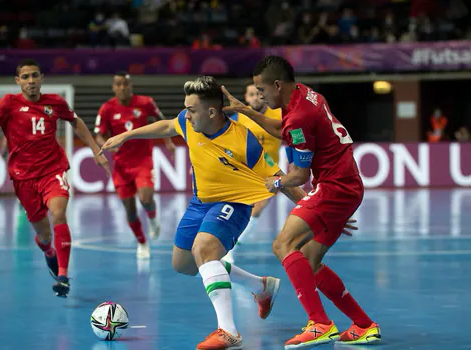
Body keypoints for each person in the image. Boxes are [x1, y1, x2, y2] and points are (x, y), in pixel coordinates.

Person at [101, 76, 309, 350]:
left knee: (204, 249)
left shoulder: (244, 141)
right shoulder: (189, 123)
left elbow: (281, 177)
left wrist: (313, 207)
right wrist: (128, 134)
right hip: (200, 203)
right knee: (184, 264)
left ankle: (229, 331)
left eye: (191, 109)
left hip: (234, 203)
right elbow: (167, 125)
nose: (186, 114)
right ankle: (261, 287)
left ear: (211, 111)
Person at [222, 55, 380, 349]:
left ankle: (319, 323)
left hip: (335, 187)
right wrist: (245, 110)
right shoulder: (306, 95)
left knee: (283, 245)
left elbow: (299, 175)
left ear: (277, 85)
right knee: (309, 261)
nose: (260, 95)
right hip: (345, 186)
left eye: (261, 90)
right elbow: (282, 129)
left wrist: (275, 182)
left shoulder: (298, 117)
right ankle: (364, 325)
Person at [0, 59, 110, 297]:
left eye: (35, 76)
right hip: (23, 178)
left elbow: (75, 122)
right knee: (43, 235)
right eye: (25, 77)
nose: (31, 81)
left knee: (59, 213)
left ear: (42, 78)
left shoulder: (55, 102)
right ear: (18, 81)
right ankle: (48, 250)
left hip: (53, 170)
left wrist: (94, 150)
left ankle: (63, 275)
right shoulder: (8, 103)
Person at [94, 72, 176, 259]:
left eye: (126, 84)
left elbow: (163, 122)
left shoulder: (146, 102)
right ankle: (142, 243)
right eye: (119, 84)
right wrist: (106, 146)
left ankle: (153, 218)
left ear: (131, 86)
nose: (123, 87)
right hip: (121, 166)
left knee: (146, 197)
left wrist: (169, 142)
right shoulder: (106, 108)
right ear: (113, 87)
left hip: (143, 161)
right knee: (130, 211)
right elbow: (98, 134)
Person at [224, 81, 282, 262]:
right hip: (244, 171)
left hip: (269, 171)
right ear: (245, 98)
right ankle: (226, 244)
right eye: (251, 94)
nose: (255, 97)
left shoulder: (279, 113)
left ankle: (231, 248)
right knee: (238, 210)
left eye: (258, 93)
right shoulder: (238, 118)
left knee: (257, 209)